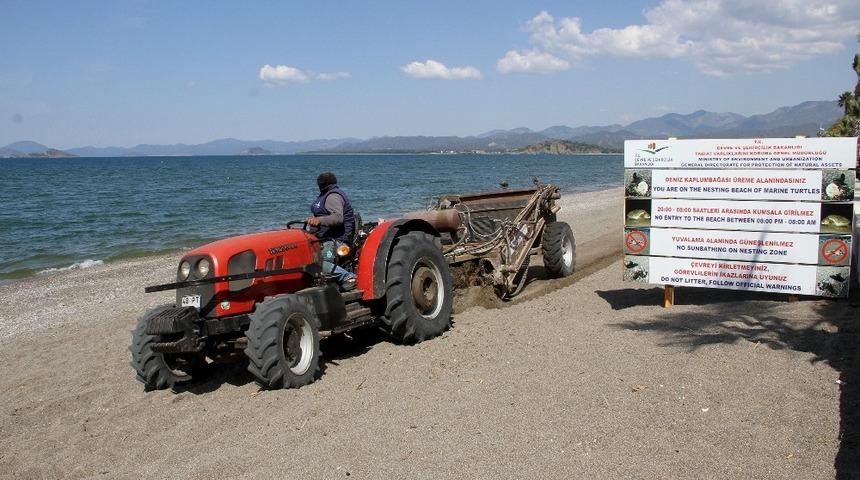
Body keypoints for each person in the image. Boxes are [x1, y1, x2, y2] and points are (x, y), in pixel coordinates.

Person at [307, 172, 357, 291]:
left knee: (319, 263)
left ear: (321, 184)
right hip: (323, 240)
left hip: (335, 243)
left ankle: (349, 277)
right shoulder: (326, 195)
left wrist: (319, 220)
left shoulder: (332, 197)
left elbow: (338, 218)